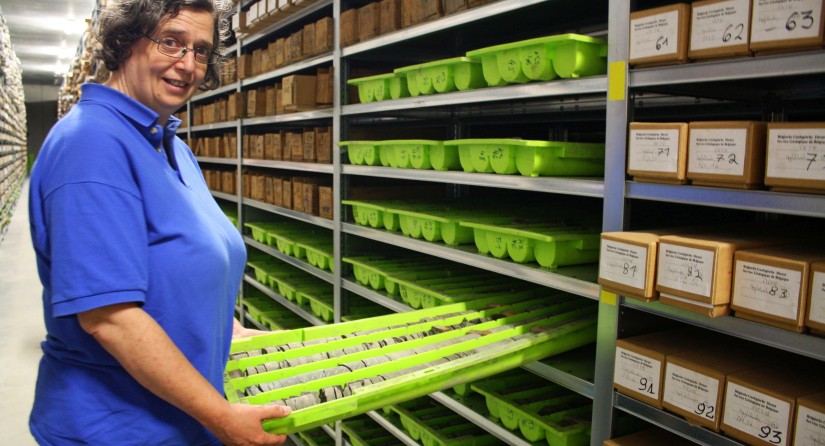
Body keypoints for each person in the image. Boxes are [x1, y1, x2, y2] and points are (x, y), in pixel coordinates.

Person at [27, 0, 290, 444]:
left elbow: (179, 269)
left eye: (202, 50)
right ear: (125, 41)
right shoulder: (91, 144)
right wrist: (220, 416)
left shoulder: (170, 145)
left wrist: (228, 332)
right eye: (171, 42)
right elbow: (110, 318)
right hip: (117, 428)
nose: (188, 64)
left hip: (180, 418)